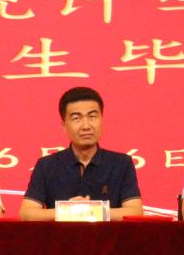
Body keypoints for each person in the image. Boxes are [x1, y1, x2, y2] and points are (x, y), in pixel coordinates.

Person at [20, 87, 143, 221]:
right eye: (76, 118)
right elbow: (26, 213)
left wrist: (89, 211)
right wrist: (70, 211)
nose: (86, 126)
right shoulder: (46, 166)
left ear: (102, 119)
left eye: (92, 117)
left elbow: (135, 212)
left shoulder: (122, 163)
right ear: (64, 125)